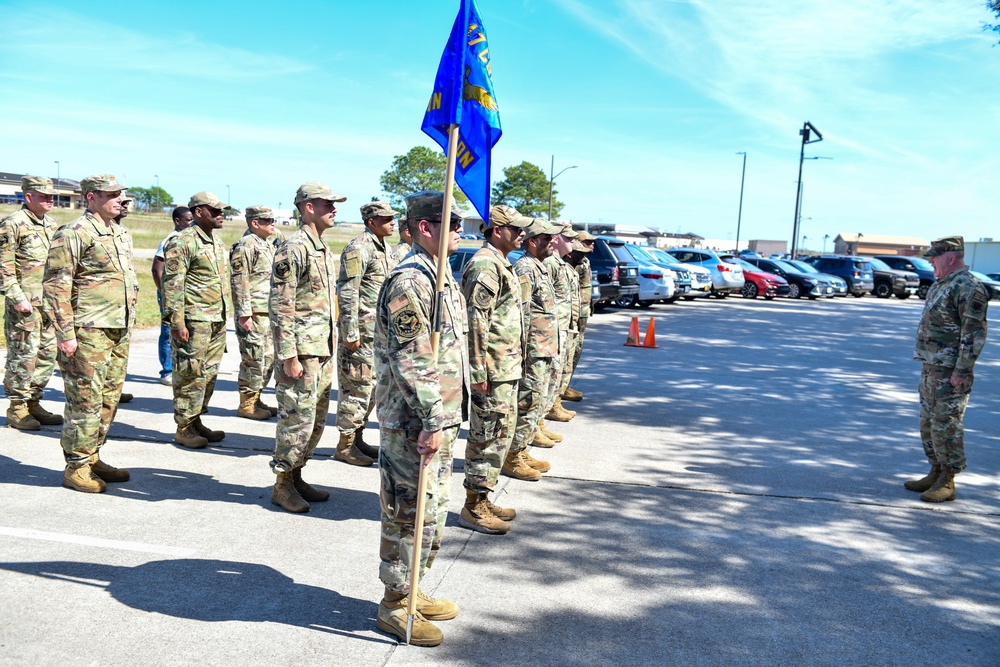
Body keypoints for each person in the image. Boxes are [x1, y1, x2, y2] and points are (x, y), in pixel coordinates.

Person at [373, 191, 468, 646]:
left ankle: (415, 586)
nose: (460, 231)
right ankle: (395, 602)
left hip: (436, 416)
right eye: (451, 223)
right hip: (413, 420)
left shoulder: (440, 276)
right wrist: (433, 417)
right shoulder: (410, 281)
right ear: (425, 227)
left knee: (431, 512)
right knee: (407, 512)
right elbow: (411, 357)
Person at [42, 174, 138, 493]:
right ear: (91, 197)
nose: (119, 199)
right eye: (111, 194)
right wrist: (65, 333)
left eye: (120, 194)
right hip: (87, 329)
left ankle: (92, 455)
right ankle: (76, 466)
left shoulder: (121, 233)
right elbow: (56, 286)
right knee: (85, 399)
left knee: (109, 397)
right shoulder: (74, 232)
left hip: (117, 327)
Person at [269, 182, 342, 513]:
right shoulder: (293, 247)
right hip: (301, 351)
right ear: (308, 207)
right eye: (328, 203)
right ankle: (282, 483)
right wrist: (288, 355)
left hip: (321, 347)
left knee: (315, 419)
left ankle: (296, 474)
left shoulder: (321, 247)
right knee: (295, 419)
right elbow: (281, 305)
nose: (334, 209)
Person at [458, 204, 529, 534]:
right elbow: (476, 324)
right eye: (515, 229)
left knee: (499, 434)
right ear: (497, 231)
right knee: (486, 436)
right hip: (492, 370)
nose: (521, 234)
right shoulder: (486, 265)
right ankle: (473, 505)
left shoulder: (503, 263)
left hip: (505, 367)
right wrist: (479, 371)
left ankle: (482, 495)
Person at [905, 236, 989, 503]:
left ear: (951, 257)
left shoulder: (968, 287)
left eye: (934, 257)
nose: (930, 260)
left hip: (951, 371)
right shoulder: (942, 284)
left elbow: (973, 334)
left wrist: (961, 371)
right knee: (928, 423)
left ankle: (948, 480)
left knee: (946, 425)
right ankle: (935, 470)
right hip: (932, 367)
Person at [162, 192, 232, 449]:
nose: (220, 214)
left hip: (216, 319)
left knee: (209, 374)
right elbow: (172, 285)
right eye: (215, 210)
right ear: (199, 211)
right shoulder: (183, 242)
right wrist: (177, 322)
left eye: (221, 210)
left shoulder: (216, 242)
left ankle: (196, 419)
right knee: (190, 374)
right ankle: (184, 427)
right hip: (194, 321)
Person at [334, 200, 399, 466]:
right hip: (360, 334)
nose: (393, 222)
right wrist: (350, 331)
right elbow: (348, 291)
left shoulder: (386, 249)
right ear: (372, 222)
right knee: (356, 389)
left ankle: (358, 437)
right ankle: (345, 445)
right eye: (386, 218)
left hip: (380, 334)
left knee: (372, 390)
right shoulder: (358, 248)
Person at [1, 176, 63, 430]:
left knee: (47, 355)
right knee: (23, 356)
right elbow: (3, 265)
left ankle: (33, 401)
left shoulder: (51, 224)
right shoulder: (13, 224)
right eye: (44, 196)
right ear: (29, 197)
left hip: (48, 303)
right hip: (25, 304)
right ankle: (17, 408)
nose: (50, 200)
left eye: (51, 196)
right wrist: (17, 298)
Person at [505, 218, 561, 481]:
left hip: (543, 347)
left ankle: (522, 448)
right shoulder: (525, 268)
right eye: (547, 238)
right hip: (532, 349)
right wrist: (524, 350)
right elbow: (522, 311)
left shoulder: (539, 266)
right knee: (527, 403)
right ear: (532, 241)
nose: (552, 242)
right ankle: (512, 456)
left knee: (535, 401)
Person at [230, 205, 278, 421]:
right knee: (253, 358)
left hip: (266, 310)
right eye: (267, 221)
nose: (272, 225)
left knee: (267, 359)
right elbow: (240, 280)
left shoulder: (265, 244)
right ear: (254, 223)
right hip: (253, 312)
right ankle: (247, 403)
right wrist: (244, 313)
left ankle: (256, 397)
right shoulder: (246, 245)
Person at [541, 224, 578, 428]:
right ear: (556, 239)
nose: (573, 241)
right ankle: (539, 422)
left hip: (562, 327)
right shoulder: (550, 264)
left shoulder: (561, 264)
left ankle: (552, 406)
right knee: (547, 378)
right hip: (552, 330)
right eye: (568, 238)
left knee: (557, 374)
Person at [152, 206, 192, 385]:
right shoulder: (170, 240)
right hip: (170, 295)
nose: (192, 223)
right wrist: (164, 293)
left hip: (185, 295)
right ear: (178, 221)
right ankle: (167, 371)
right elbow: (156, 269)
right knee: (168, 332)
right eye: (189, 220)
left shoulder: (189, 239)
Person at [563, 230, 595, 402]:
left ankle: (566, 385)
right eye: (588, 241)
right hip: (575, 312)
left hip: (582, 310)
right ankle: (563, 388)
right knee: (571, 351)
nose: (592, 244)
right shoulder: (574, 260)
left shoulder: (584, 260)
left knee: (577, 349)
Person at [111, 197, 137, 404]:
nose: (125, 206)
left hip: (124, 307)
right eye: (122, 203)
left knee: (119, 357)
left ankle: (113, 390)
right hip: (99, 310)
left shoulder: (124, 233)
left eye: (127, 203)